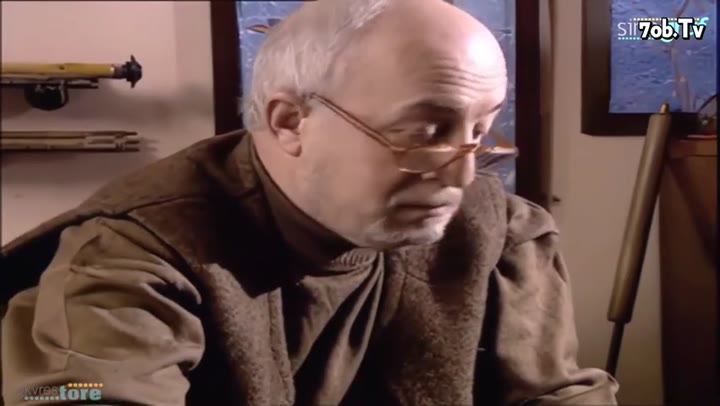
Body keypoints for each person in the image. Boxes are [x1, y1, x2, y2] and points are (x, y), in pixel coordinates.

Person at [0, 0, 619, 404]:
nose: (461, 175)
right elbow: (81, 392)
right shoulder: (133, 256)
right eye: (425, 132)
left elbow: (558, 394)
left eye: (480, 130)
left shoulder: (502, 231)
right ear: (290, 121)